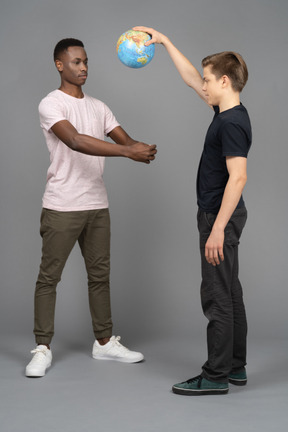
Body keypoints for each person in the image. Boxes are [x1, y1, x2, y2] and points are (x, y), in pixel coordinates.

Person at [25, 38, 157, 377]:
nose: (83, 68)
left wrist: (141, 148)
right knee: (48, 278)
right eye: (76, 62)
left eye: (86, 62)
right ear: (59, 65)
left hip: (97, 205)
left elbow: (124, 141)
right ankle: (42, 348)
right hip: (61, 205)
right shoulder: (50, 104)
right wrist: (129, 152)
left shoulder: (99, 106)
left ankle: (103, 343)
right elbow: (75, 140)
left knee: (99, 276)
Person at [133, 26, 252, 395]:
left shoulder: (232, 123)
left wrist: (217, 228)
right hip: (224, 215)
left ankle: (215, 377)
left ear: (225, 81)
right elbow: (189, 79)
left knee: (217, 296)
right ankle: (235, 367)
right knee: (230, 292)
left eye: (208, 80)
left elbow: (239, 178)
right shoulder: (227, 109)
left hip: (221, 217)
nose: (202, 85)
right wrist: (166, 42)